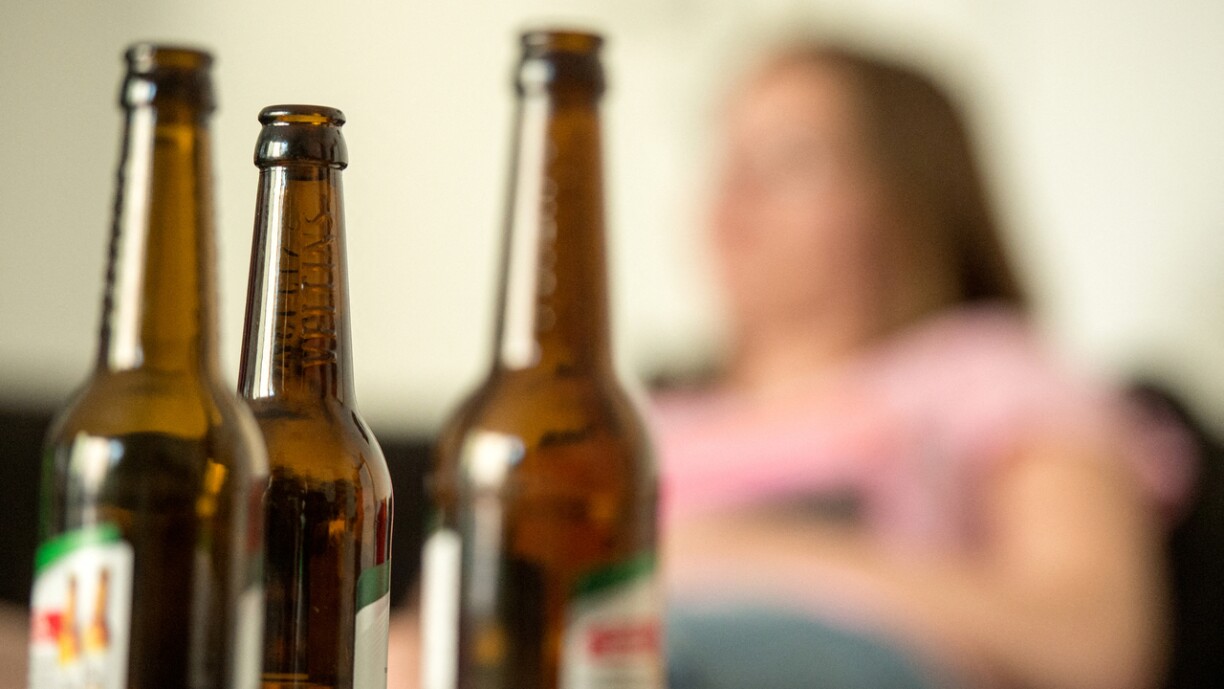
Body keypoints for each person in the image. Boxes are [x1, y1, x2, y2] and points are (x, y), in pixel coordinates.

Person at [655, 41, 1196, 689]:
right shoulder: (644, 419)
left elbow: (1090, 640)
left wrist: (742, 554)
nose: (737, 195)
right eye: (730, 156)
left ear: (902, 194)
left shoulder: (988, 374)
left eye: (791, 161)